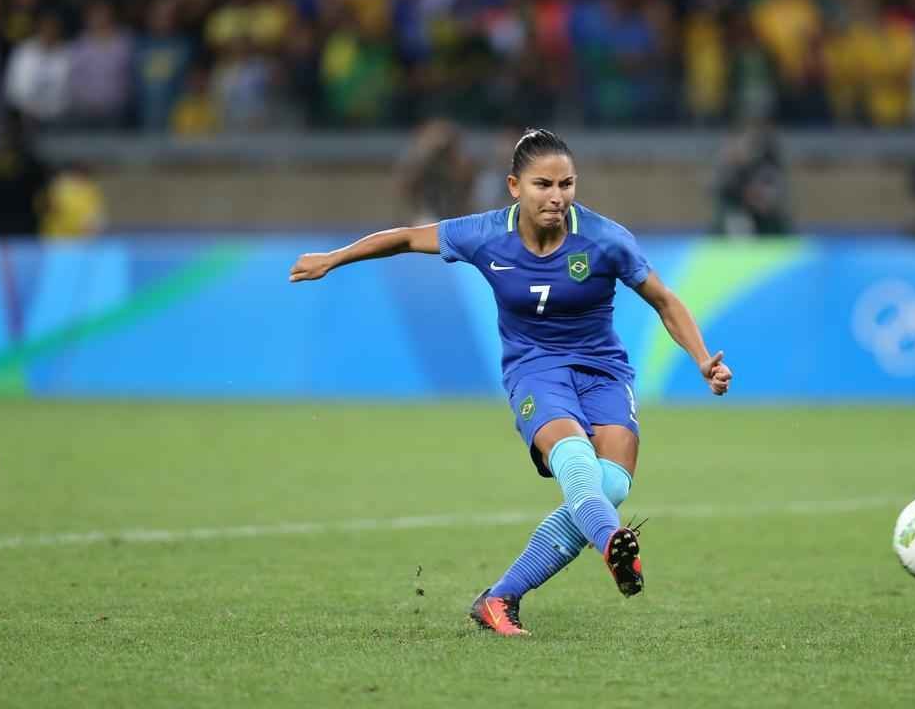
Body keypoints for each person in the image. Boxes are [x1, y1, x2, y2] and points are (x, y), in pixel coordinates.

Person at [289, 128, 733, 636]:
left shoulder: (605, 239)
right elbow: (407, 238)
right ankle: (613, 544)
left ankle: (499, 599)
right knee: (578, 466)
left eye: (566, 184)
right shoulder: (484, 234)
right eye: (543, 184)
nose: (557, 196)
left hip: (603, 370)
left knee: (610, 485)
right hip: (534, 371)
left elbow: (664, 300)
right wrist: (334, 258)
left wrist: (703, 360)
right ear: (514, 186)